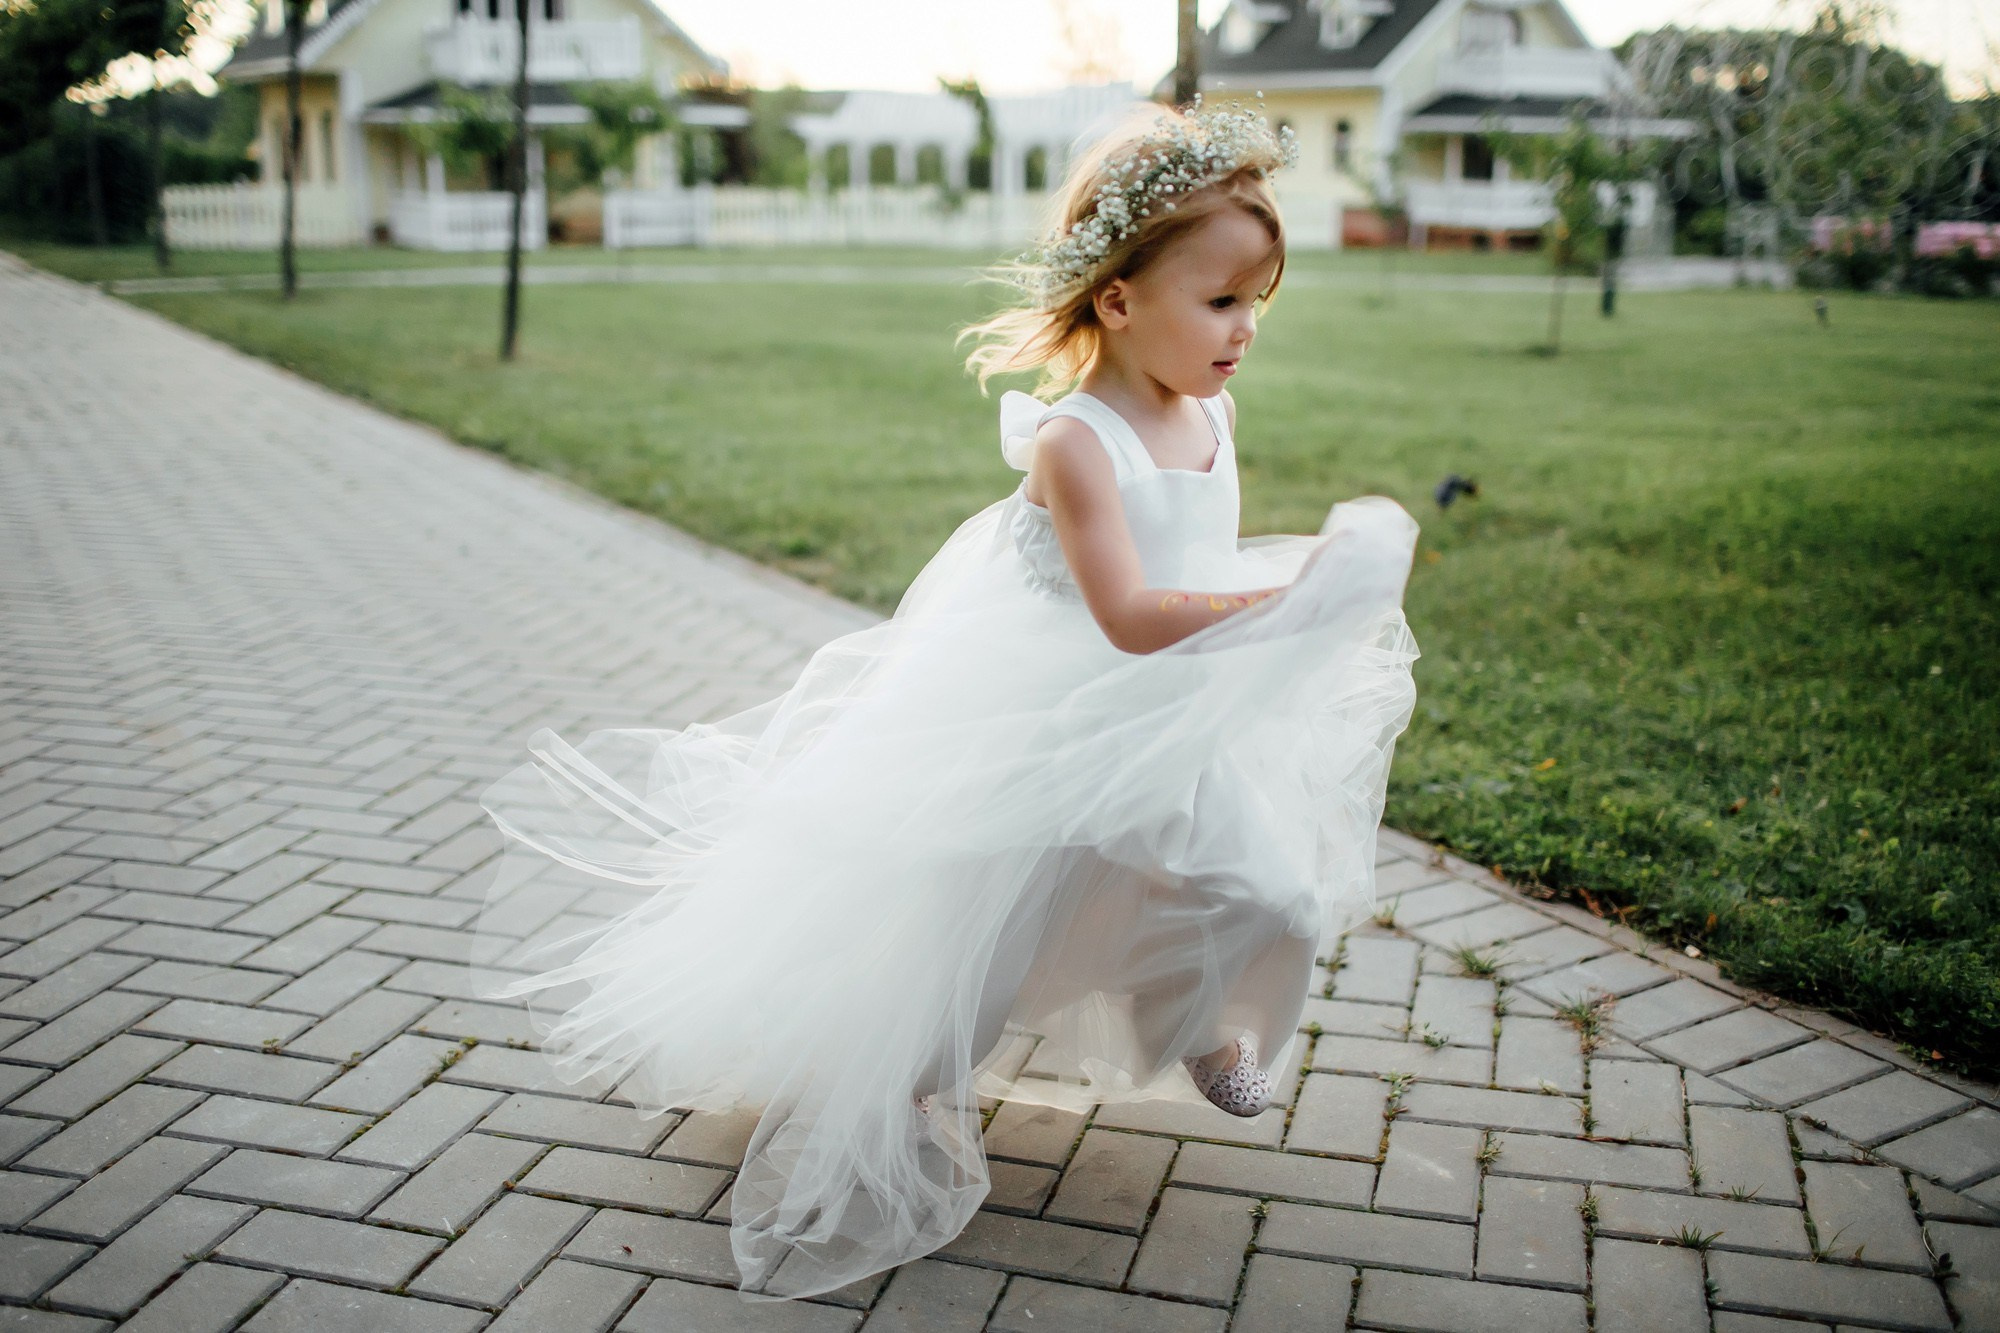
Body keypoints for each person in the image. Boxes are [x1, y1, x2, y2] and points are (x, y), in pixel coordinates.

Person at [468, 98, 1421, 1304]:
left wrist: (1282, 603)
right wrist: (1286, 603)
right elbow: (1128, 612)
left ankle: (1196, 1022)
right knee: (990, 927)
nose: (1243, 330)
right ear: (1118, 301)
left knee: (1251, 875)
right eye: (1220, 301)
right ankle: (907, 1073)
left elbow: (1193, 572)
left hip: (1172, 704)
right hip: (1045, 704)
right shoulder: (1076, 443)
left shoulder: (1210, 411)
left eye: (1256, 304)